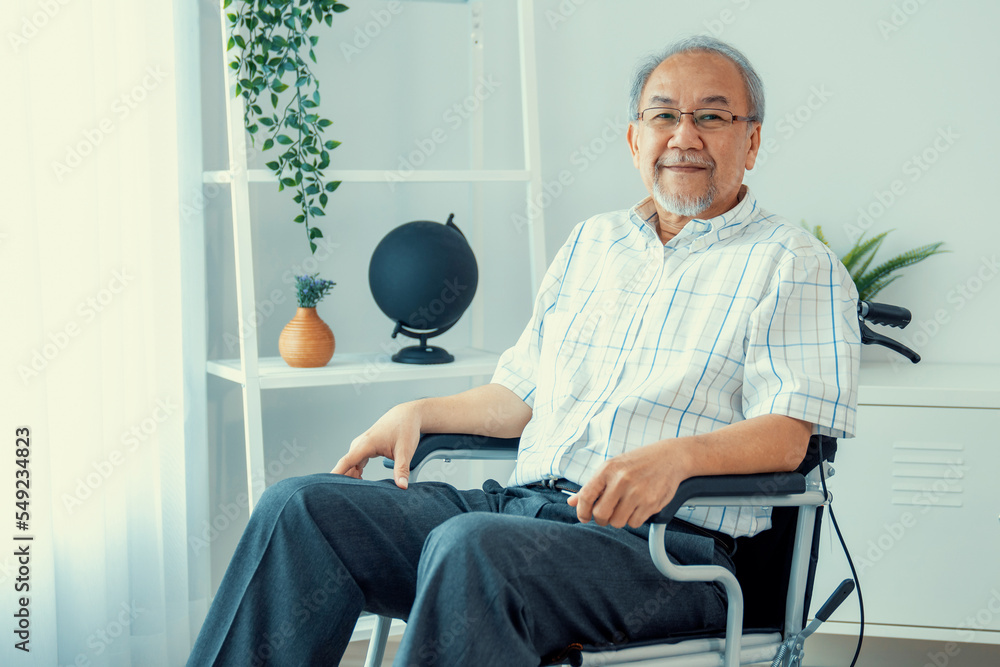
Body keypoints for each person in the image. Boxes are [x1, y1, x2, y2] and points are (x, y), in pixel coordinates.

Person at [187, 35, 860, 667]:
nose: (684, 137)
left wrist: (677, 459)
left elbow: (789, 434)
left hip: (663, 554)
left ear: (753, 139)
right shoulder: (591, 245)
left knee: (472, 547)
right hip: (516, 510)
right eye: (664, 116)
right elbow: (520, 396)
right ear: (634, 138)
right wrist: (421, 408)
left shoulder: (793, 261)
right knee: (301, 508)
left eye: (712, 117)